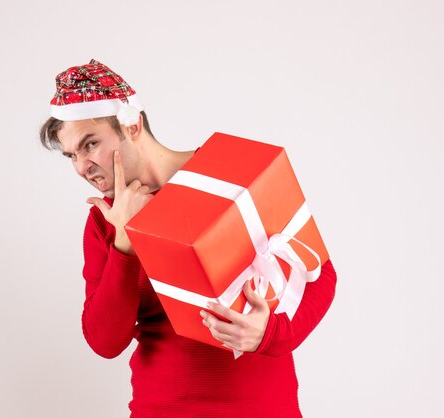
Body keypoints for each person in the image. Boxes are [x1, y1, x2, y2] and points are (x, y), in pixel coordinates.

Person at [40, 59, 337, 418]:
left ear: (131, 124)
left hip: (263, 407)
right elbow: (104, 341)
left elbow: (317, 272)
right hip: (161, 408)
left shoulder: (228, 173)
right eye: (71, 155)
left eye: (90, 144)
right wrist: (124, 245)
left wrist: (270, 334)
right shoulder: (105, 221)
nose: (81, 166)